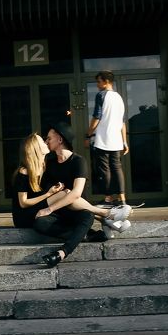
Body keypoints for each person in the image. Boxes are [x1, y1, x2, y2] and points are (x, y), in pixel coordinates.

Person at [31, 123, 130, 268]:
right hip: (59, 213)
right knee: (39, 223)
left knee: (86, 215)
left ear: (60, 140)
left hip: (76, 212)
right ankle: (99, 223)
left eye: (49, 138)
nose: (46, 141)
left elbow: (76, 193)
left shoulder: (78, 161)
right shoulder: (50, 164)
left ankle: (62, 253)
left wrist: (49, 209)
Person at [86, 71, 132, 218]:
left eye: (99, 82)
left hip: (103, 139)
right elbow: (122, 122)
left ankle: (108, 198)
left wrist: (88, 134)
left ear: (106, 81)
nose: (97, 85)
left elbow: (97, 117)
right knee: (117, 168)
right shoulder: (119, 98)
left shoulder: (101, 95)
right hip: (116, 140)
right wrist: (124, 141)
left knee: (104, 169)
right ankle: (122, 199)